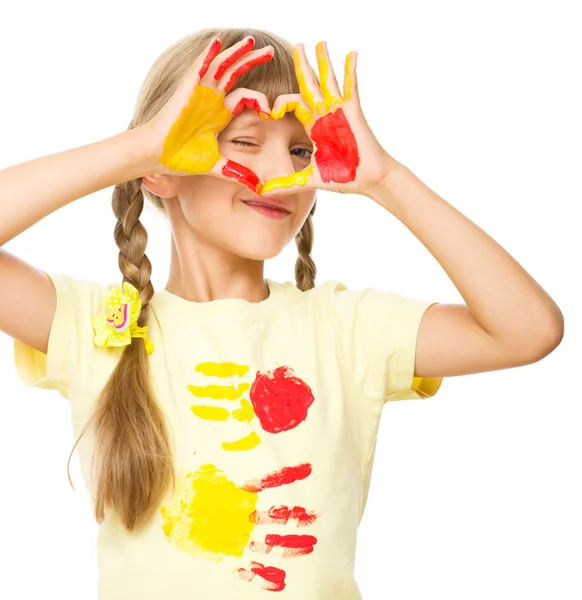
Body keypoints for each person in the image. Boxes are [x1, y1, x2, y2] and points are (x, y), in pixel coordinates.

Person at [0, 26, 563, 600]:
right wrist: (139, 149)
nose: (280, 170)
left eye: (300, 149)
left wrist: (385, 179)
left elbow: (529, 330)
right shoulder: (98, 328)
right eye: (244, 141)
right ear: (166, 164)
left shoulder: (347, 329)